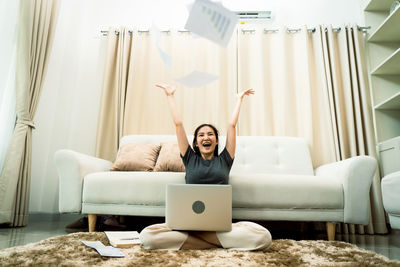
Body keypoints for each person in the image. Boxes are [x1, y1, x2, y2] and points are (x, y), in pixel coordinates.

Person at [139, 84, 272, 250]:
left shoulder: (225, 159)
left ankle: (194, 242)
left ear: (216, 141)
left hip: (217, 227)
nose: (206, 137)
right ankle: (217, 245)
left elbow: (231, 125)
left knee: (264, 237)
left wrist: (239, 99)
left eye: (210, 134)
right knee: (147, 236)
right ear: (196, 142)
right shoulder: (189, 158)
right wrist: (170, 96)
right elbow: (178, 124)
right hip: (188, 223)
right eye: (201, 135)